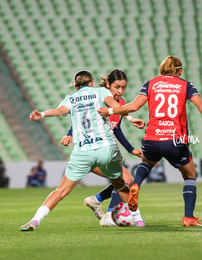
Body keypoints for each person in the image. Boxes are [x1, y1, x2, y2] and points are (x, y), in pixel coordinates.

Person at [98, 56, 202, 226]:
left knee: (146, 164)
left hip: (152, 138)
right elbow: (201, 106)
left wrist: (110, 110)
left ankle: (136, 185)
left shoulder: (150, 83)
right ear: (180, 71)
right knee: (190, 174)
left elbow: (134, 106)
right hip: (174, 140)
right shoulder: (186, 85)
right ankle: (188, 217)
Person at [20, 70, 145, 231]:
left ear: (77, 86)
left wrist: (42, 114)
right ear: (92, 82)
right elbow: (116, 106)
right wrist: (130, 117)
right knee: (122, 184)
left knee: (61, 190)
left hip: (83, 152)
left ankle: (35, 220)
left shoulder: (71, 98)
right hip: (105, 148)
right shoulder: (101, 92)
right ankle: (136, 218)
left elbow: (59, 112)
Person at [60, 69, 144, 227]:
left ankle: (96, 200)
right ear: (107, 85)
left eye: (123, 88)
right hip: (90, 151)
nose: (120, 91)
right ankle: (110, 214)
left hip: (105, 151)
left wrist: (131, 149)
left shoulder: (119, 105)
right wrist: (69, 134)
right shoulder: (98, 98)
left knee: (124, 179)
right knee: (126, 179)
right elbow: (80, 119)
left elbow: (116, 128)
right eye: (117, 87)